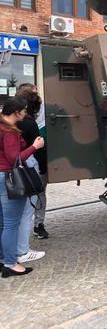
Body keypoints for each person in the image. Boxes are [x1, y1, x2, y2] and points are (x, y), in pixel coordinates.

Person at [0, 97, 45, 277]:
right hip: (9, 178)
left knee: (2, 222)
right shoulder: (9, 131)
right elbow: (14, 158)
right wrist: (34, 146)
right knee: (11, 224)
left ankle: (3, 258)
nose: (26, 113)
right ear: (16, 112)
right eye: (24, 111)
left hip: (0, 176)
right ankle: (11, 264)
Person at [17, 84, 49, 239]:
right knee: (38, 194)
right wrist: (43, 167)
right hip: (29, 164)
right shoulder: (29, 123)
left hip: (16, 164)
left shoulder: (8, 120)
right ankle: (37, 225)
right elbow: (37, 148)